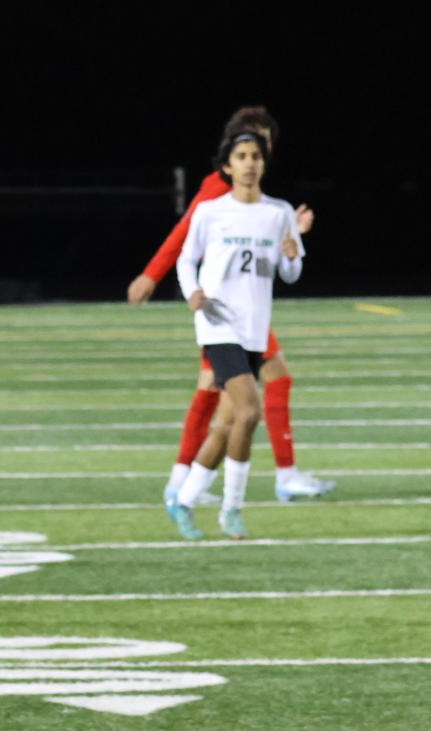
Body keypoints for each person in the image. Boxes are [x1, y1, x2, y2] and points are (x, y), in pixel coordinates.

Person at [130, 107, 331, 506]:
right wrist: (152, 275)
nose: (257, 153)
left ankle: (187, 483)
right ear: (230, 153)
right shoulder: (216, 191)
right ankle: (224, 486)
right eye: (250, 143)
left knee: (224, 398)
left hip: (246, 312)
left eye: (263, 143)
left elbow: (277, 257)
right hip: (223, 314)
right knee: (225, 397)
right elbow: (183, 236)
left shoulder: (262, 202)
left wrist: (293, 242)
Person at [165, 129, 305, 540]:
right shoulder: (211, 211)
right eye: (241, 156)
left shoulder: (278, 212)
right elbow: (186, 259)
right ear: (227, 166)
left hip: (253, 329)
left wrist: (292, 256)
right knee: (249, 413)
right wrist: (192, 292)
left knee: (227, 427)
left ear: (263, 163)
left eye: (255, 156)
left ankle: (184, 500)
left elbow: (290, 274)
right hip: (217, 323)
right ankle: (232, 509)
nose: (249, 163)